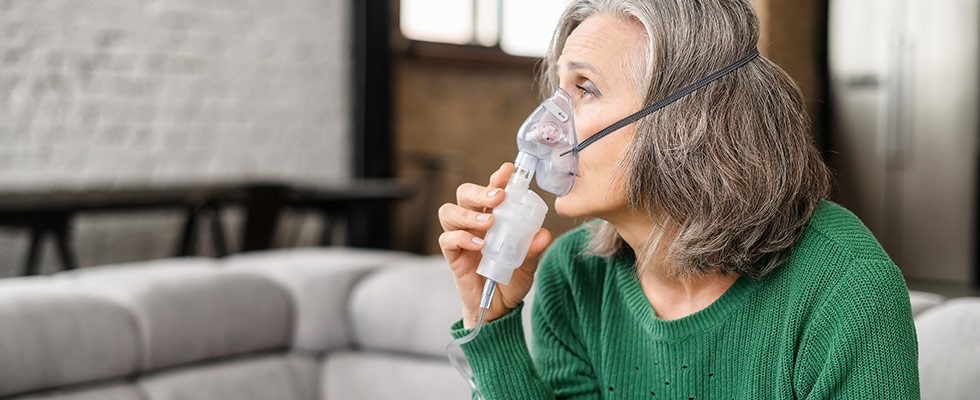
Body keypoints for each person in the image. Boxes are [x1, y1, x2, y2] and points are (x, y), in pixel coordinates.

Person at [437, 0, 920, 398]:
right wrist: (492, 318)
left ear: (686, 121)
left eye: (585, 88)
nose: (544, 125)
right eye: (558, 88)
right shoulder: (574, 277)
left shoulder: (845, 286)